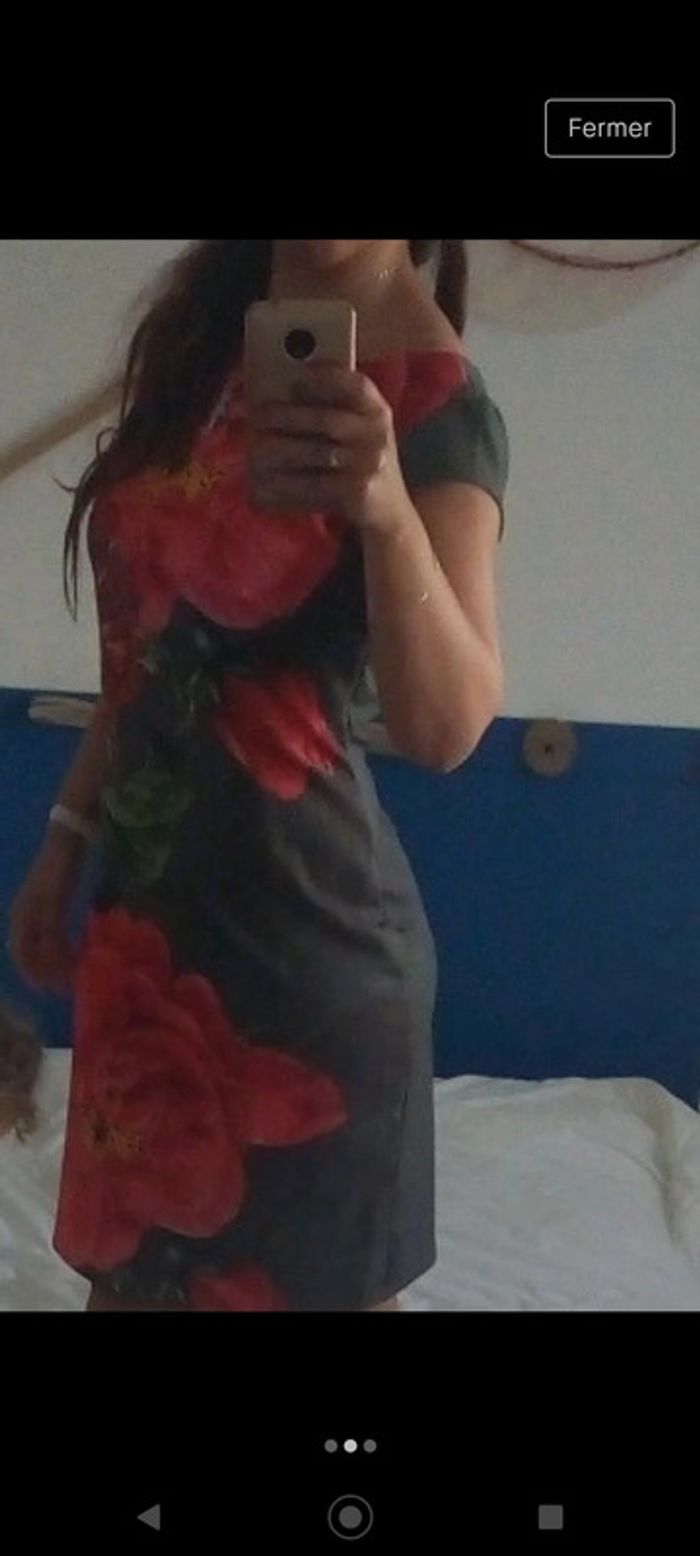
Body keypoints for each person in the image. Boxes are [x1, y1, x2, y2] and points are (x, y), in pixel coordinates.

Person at [9, 239, 509, 1312]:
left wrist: (386, 511)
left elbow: (447, 726)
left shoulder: (437, 404)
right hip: (148, 948)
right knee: (129, 1287)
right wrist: (66, 834)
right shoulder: (201, 346)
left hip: (310, 967)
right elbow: (150, 651)